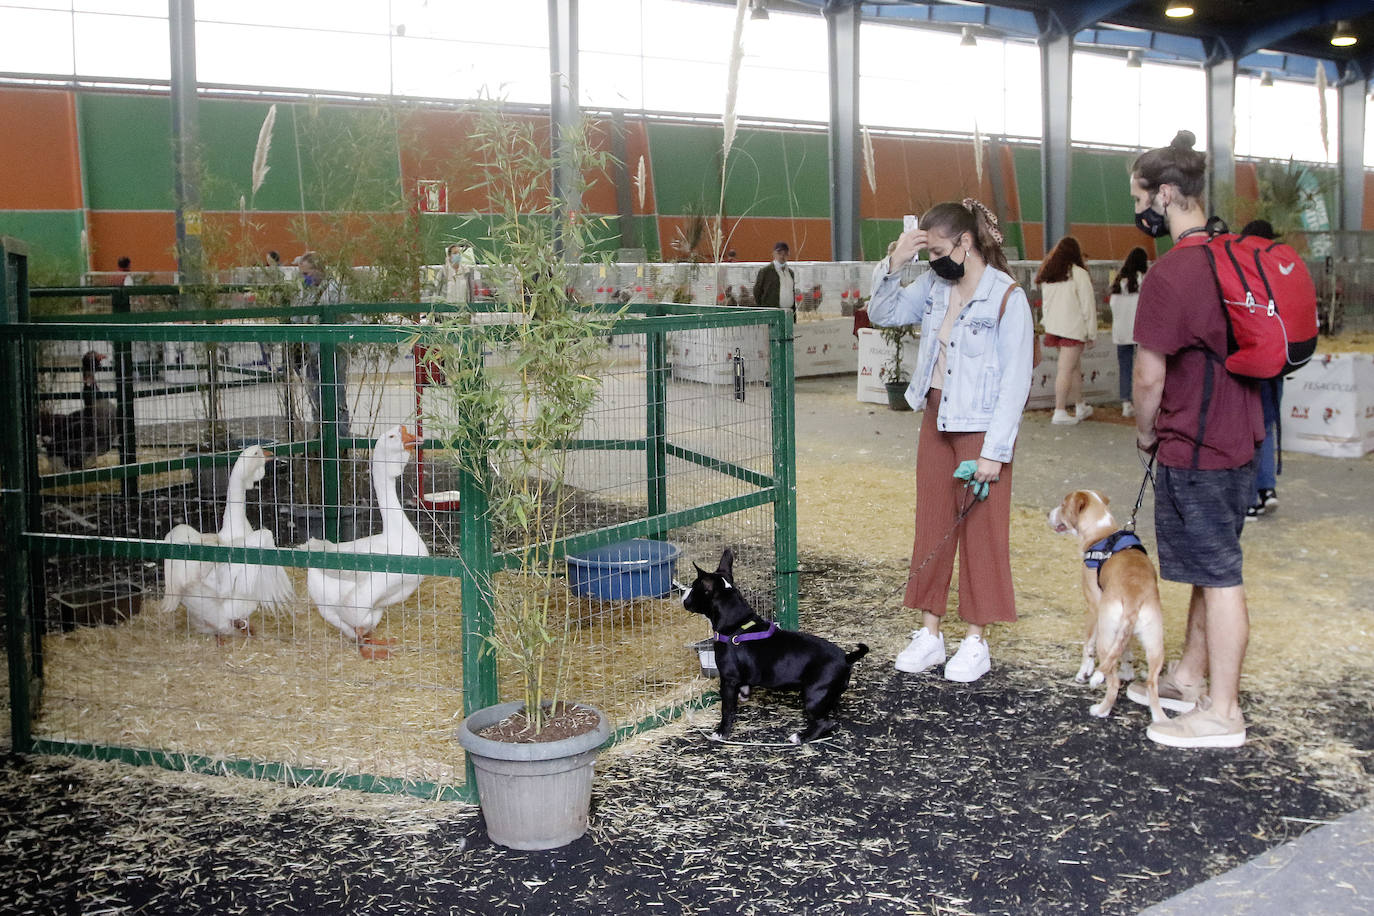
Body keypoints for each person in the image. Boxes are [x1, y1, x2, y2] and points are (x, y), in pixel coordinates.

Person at [1125, 130, 1263, 749]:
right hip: (1241, 436)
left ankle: (1224, 713)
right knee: (1213, 569)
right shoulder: (1235, 255)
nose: (1136, 213)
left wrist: (1145, 432)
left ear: (1168, 194)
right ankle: (1187, 675)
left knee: (1222, 576)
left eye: (1139, 198)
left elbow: (1150, 376)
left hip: (1197, 445)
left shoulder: (1171, 272)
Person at [867, 199, 1034, 683]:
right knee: (933, 521)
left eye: (940, 249)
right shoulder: (936, 284)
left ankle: (976, 639)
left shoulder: (1006, 298)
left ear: (966, 242)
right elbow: (883, 312)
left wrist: (993, 453)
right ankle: (930, 633)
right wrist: (895, 263)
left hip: (982, 424)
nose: (935, 259)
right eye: (928, 251)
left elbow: (1016, 382)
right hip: (938, 412)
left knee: (982, 529)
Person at [1237, 219, 1283, 520]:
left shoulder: (1242, 267)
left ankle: (1251, 498)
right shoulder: (1281, 269)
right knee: (1266, 425)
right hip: (1279, 357)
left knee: (1248, 427)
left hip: (1252, 358)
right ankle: (1267, 489)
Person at [1037, 236, 1098, 425]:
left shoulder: (1048, 274)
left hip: (1054, 328)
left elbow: (1045, 305)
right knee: (1066, 369)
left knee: (1073, 368)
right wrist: (1091, 332)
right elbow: (1088, 305)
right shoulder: (1078, 273)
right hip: (1073, 328)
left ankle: (1080, 405)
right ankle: (1060, 411)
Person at [292, 251, 352, 439]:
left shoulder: (336, 290)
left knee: (336, 398)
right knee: (315, 398)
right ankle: (321, 437)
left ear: (319, 270)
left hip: (333, 354)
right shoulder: (306, 293)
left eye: (307, 273)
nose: (305, 278)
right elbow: (298, 318)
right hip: (312, 355)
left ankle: (340, 440)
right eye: (302, 274)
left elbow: (351, 321)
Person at [1109, 247, 1149, 418]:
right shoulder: (1144, 280)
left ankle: (1126, 403)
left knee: (1125, 367)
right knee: (1143, 368)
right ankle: (1143, 401)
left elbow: (1112, 305)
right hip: (1140, 331)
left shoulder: (1118, 282)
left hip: (1121, 331)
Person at [753, 242, 797, 314]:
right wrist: (763, 308)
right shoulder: (766, 271)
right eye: (779, 253)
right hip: (772, 313)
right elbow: (757, 291)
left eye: (785, 254)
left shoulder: (790, 273)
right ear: (774, 254)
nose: (782, 256)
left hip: (788, 312)